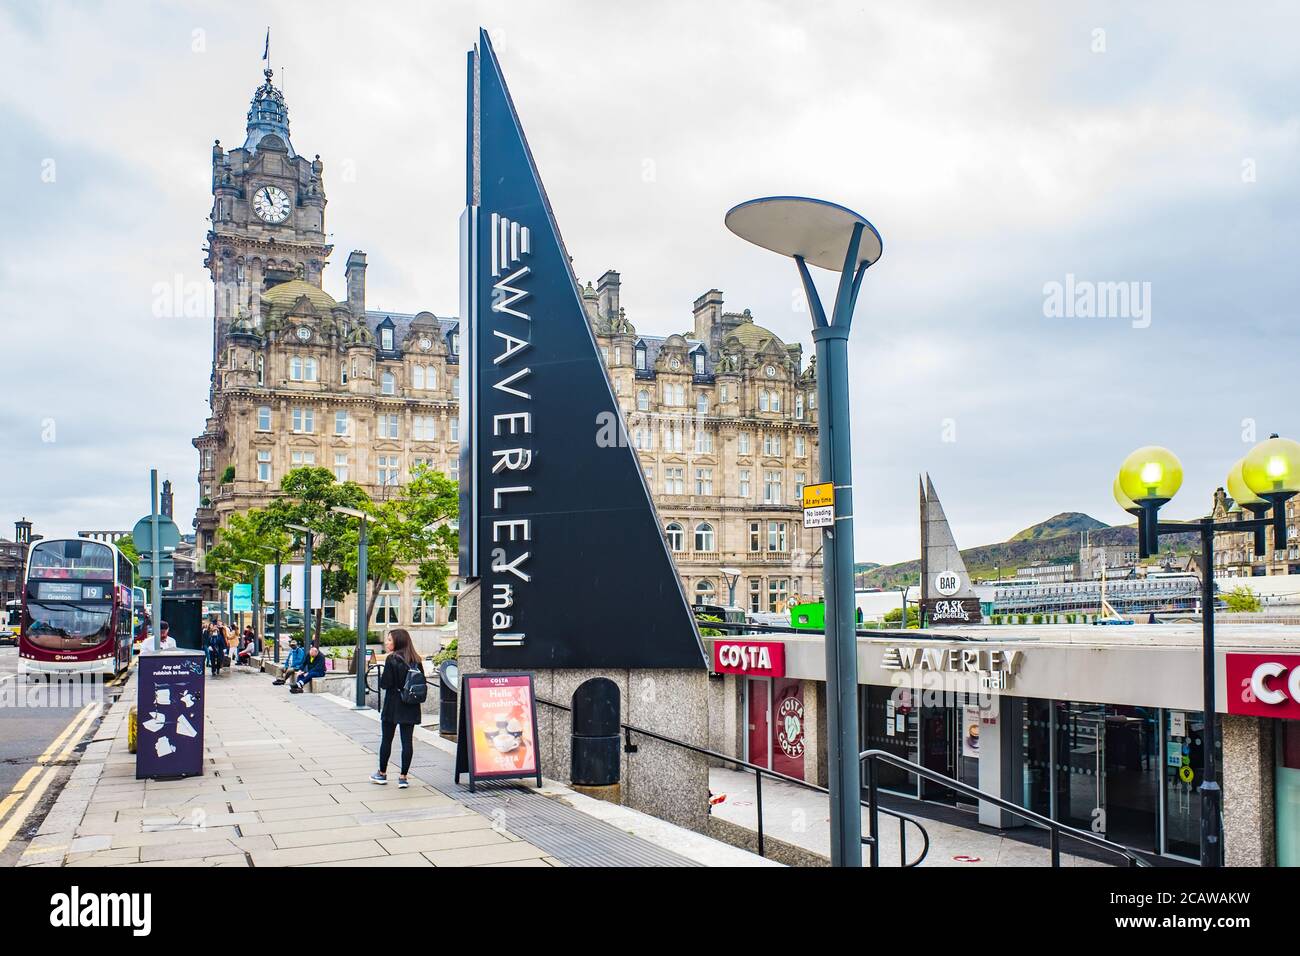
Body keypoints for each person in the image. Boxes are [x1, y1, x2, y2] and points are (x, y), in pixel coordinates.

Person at [370, 629, 424, 789]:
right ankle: (403, 777)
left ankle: (382, 773)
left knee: (387, 739)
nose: (386, 643)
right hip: (411, 705)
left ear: (398, 642)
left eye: (389, 640)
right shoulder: (416, 660)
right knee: (407, 742)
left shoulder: (392, 659)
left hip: (393, 705)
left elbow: (385, 684)